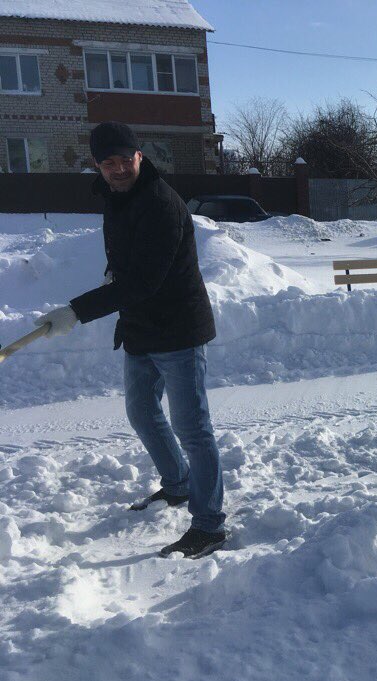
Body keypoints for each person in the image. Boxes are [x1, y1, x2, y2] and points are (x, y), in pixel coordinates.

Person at [34, 121, 226, 559]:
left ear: (140, 156)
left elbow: (144, 281)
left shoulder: (159, 203)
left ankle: (210, 524)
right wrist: (111, 274)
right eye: (108, 162)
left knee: (193, 428)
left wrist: (76, 311)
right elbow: (127, 264)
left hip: (177, 329)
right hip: (140, 329)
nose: (118, 169)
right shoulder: (117, 197)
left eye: (125, 160)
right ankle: (177, 484)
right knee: (141, 411)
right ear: (98, 166)